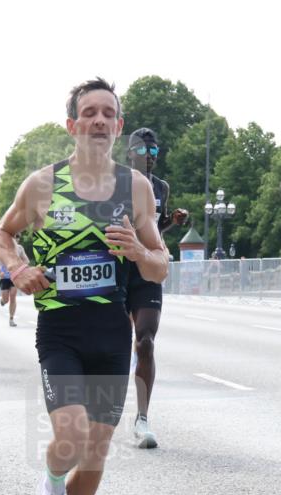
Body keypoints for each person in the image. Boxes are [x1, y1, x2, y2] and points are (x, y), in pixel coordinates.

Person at [0, 78, 168, 495]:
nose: (99, 120)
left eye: (107, 113)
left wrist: (138, 251)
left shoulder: (135, 188)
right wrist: (17, 268)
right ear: (72, 125)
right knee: (69, 436)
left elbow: (160, 266)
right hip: (61, 330)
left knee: (95, 452)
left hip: (111, 331)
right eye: (89, 113)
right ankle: (49, 491)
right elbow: (2, 232)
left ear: (119, 125)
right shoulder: (42, 185)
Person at [124, 127, 189, 450]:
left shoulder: (161, 187)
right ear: (129, 153)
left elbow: (153, 227)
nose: (149, 156)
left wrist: (172, 221)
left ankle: (142, 419)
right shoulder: (113, 182)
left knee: (146, 341)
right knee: (110, 344)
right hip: (118, 269)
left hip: (147, 269)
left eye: (153, 152)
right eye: (143, 151)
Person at [0, 234, 29, 327]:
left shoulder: (20, 248)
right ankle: (3, 301)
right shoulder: (2, 248)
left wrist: (21, 267)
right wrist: (0, 272)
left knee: (13, 296)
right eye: (13, 237)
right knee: (6, 299)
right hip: (4, 277)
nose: (15, 239)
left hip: (15, 276)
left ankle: (11, 319)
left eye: (17, 237)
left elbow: (26, 260)